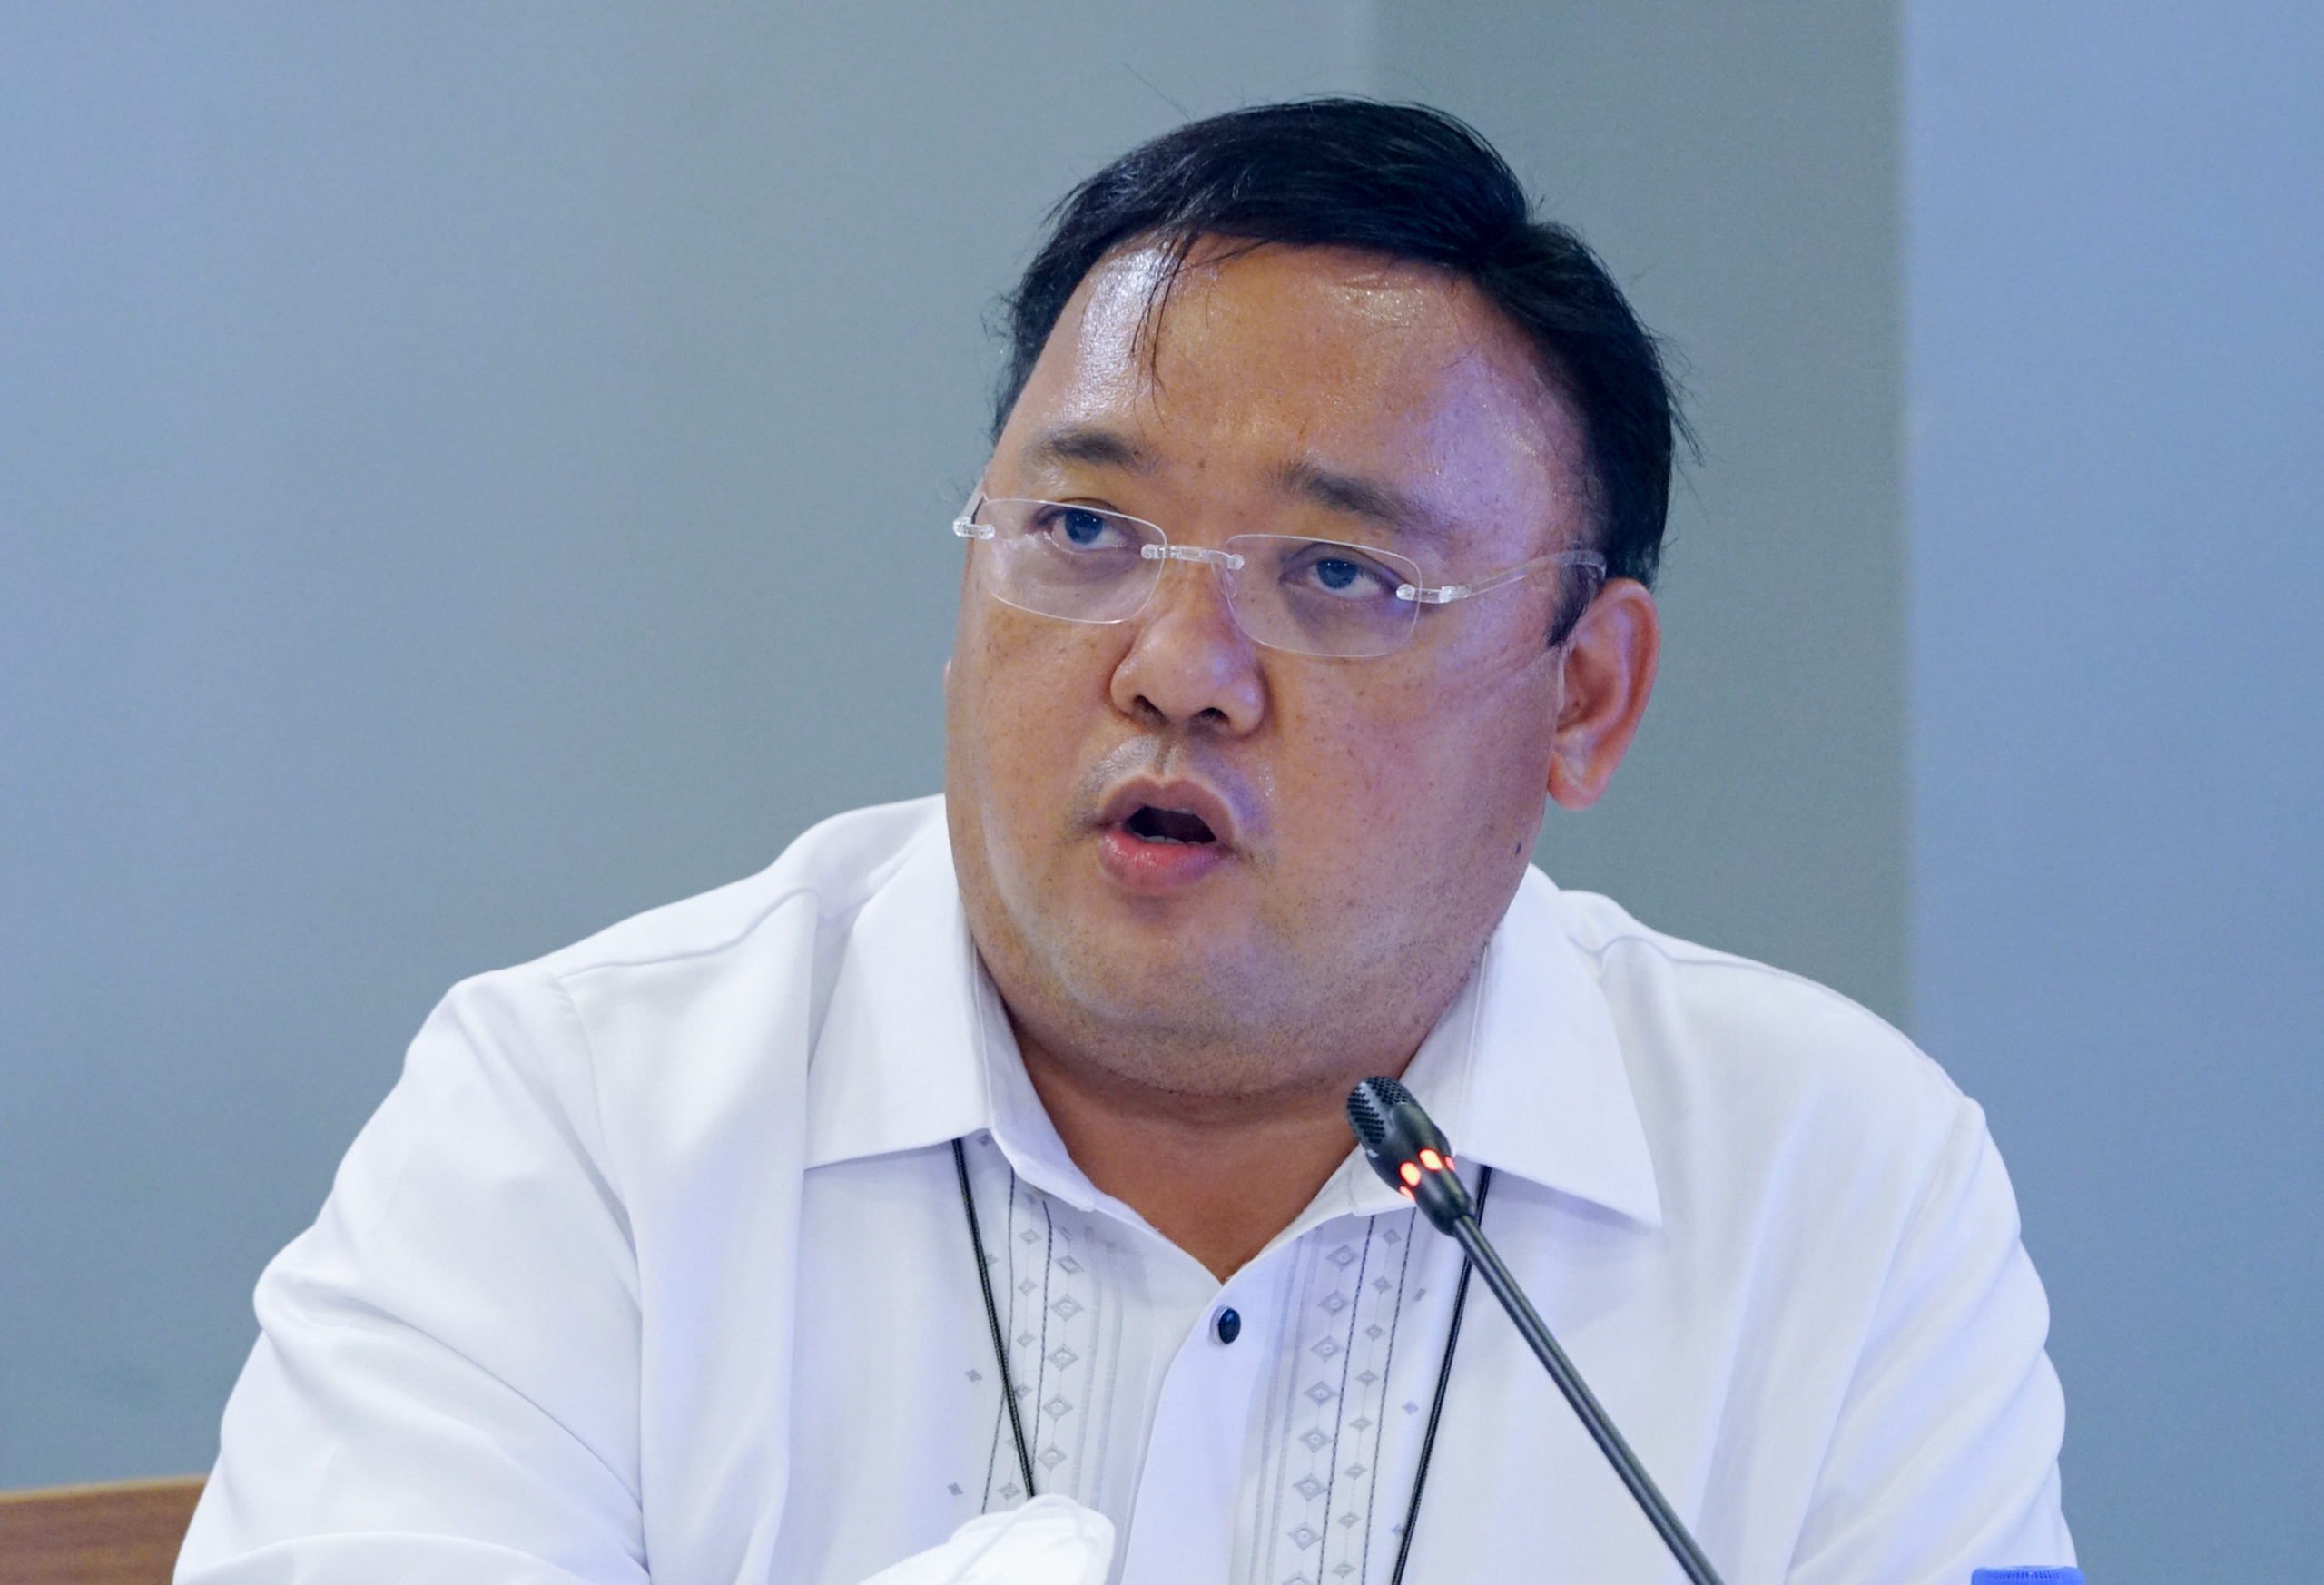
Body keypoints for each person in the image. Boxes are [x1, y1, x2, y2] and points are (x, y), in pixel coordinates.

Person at [177, 101, 2075, 1585]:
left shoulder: (1833, 1181)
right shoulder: (578, 1123)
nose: (1176, 668)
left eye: (1336, 573)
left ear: (1581, 696)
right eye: (1083, 536)